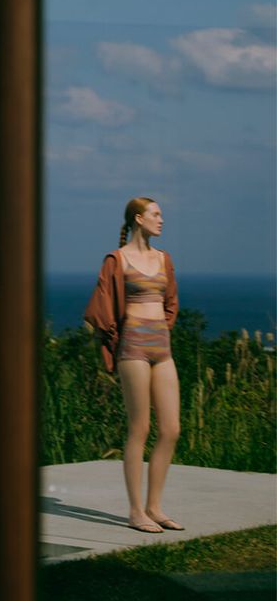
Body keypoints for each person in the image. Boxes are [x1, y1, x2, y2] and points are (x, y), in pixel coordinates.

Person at [84, 197, 185, 534]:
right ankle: (135, 511)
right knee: (139, 429)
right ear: (139, 219)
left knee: (171, 429)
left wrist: (161, 329)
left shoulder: (164, 259)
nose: (162, 219)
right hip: (134, 349)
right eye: (156, 214)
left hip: (162, 348)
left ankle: (155, 507)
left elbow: (171, 302)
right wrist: (118, 340)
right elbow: (101, 309)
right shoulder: (117, 260)